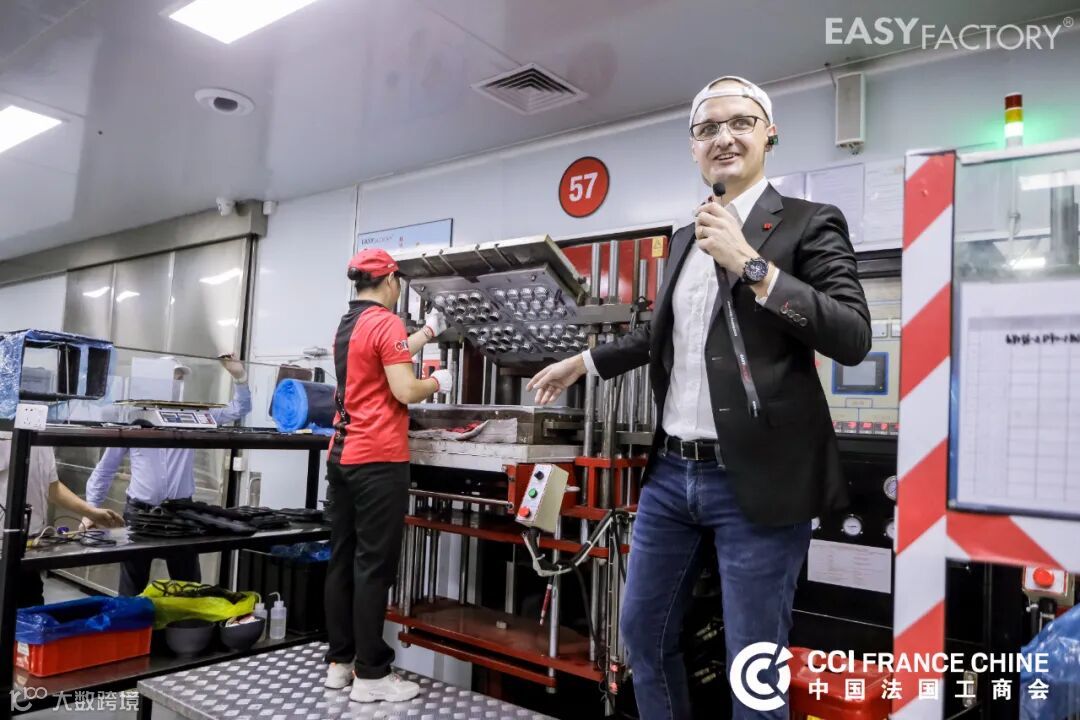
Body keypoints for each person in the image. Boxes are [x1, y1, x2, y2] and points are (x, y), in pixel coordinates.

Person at [527, 76, 871, 719]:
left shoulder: (809, 222)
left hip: (759, 479)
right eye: (707, 128)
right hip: (671, 476)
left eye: (740, 122)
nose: (724, 137)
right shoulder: (686, 237)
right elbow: (660, 334)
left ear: (770, 133)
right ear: (693, 147)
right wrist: (584, 362)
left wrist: (751, 264)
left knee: (753, 666)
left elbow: (851, 335)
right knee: (642, 635)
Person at [322, 248, 451, 704]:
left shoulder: (350, 323)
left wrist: (428, 332)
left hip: (342, 456)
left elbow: (386, 355)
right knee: (374, 567)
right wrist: (437, 382)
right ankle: (372, 674)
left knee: (343, 560)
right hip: (378, 460)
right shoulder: (387, 322)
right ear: (392, 280)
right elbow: (404, 388)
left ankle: (340, 663)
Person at [85, 354, 252, 595]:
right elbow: (106, 467)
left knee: (189, 588)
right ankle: (134, 620)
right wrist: (91, 508)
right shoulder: (133, 419)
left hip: (181, 514)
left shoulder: (195, 417)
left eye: (180, 379)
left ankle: (187, 619)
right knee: (132, 589)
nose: (178, 384)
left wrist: (240, 377)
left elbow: (239, 409)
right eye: (174, 378)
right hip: (140, 515)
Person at [1, 433, 124, 607]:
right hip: (4, 544)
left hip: (29, 546)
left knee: (30, 609)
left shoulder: (40, 436)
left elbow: (52, 486)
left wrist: (91, 512)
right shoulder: (5, 432)